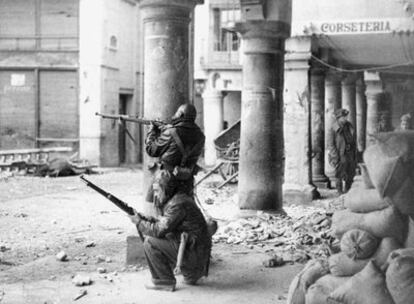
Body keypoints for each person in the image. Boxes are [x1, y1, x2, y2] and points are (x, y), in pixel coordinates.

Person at [129, 170, 212, 291]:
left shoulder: (177, 204)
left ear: (167, 189)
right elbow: (166, 223)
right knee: (164, 236)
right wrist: (145, 218)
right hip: (197, 253)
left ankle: (164, 281)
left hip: (194, 254)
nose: (155, 195)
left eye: (158, 190)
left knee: (150, 242)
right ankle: (191, 273)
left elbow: (158, 230)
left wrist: (139, 222)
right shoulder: (179, 199)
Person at [145, 104, 205, 202]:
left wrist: (151, 132)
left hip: (167, 179)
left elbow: (151, 150)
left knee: (163, 210)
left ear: (181, 114)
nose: (174, 115)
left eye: (176, 112)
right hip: (187, 179)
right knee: (183, 209)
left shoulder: (171, 132)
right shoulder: (200, 135)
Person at [327, 108, 357, 194]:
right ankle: (339, 192)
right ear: (338, 118)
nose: (345, 119)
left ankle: (347, 191)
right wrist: (335, 156)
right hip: (341, 154)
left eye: (346, 117)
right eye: (343, 117)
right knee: (339, 173)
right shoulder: (333, 129)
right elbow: (330, 144)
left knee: (350, 173)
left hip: (350, 153)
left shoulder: (349, 126)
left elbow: (353, 140)